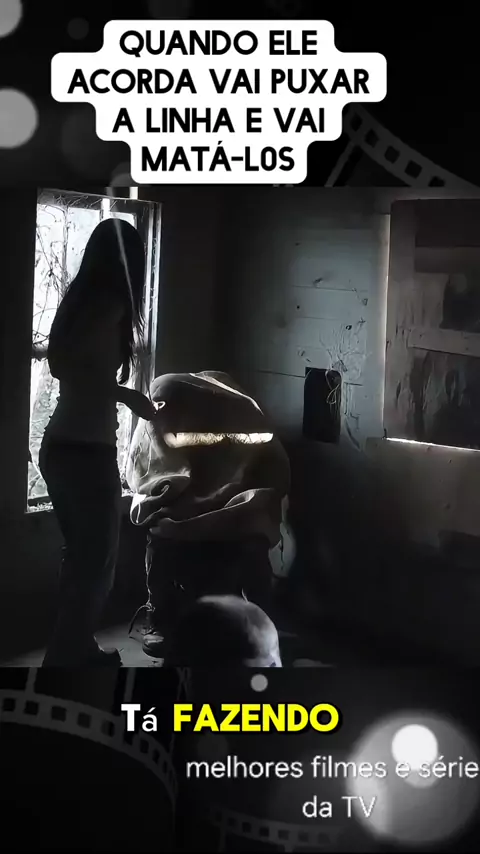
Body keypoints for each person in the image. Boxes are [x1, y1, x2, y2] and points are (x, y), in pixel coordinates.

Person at [39, 218, 155, 667]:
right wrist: (128, 396)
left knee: (82, 559)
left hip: (61, 446)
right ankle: (63, 658)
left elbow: (60, 364)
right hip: (85, 453)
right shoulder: (109, 305)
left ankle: (75, 648)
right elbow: (68, 368)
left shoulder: (79, 300)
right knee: (97, 565)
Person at [126, 370, 291, 658]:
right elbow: (149, 476)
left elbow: (266, 472)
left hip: (230, 505)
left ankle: (264, 621)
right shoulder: (160, 427)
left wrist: (229, 493)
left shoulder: (236, 423)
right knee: (160, 532)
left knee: (253, 535)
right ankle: (160, 616)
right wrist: (173, 494)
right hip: (178, 506)